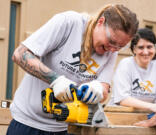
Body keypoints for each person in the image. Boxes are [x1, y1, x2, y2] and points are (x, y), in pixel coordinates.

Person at [7, 4, 139, 135]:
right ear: (100, 22)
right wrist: (55, 80)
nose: (113, 49)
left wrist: (97, 90)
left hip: (65, 128)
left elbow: (104, 89)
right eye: (112, 41)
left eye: (120, 46)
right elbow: (20, 54)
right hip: (27, 123)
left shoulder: (111, 50)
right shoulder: (69, 23)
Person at [108, 28, 156, 112]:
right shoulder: (126, 64)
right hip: (119, 115)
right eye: (141, 47)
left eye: (149, 47)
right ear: (134, 49)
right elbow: (122, 98)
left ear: (155, 48)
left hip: (146, 116)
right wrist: (152, 107)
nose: (145, 52)